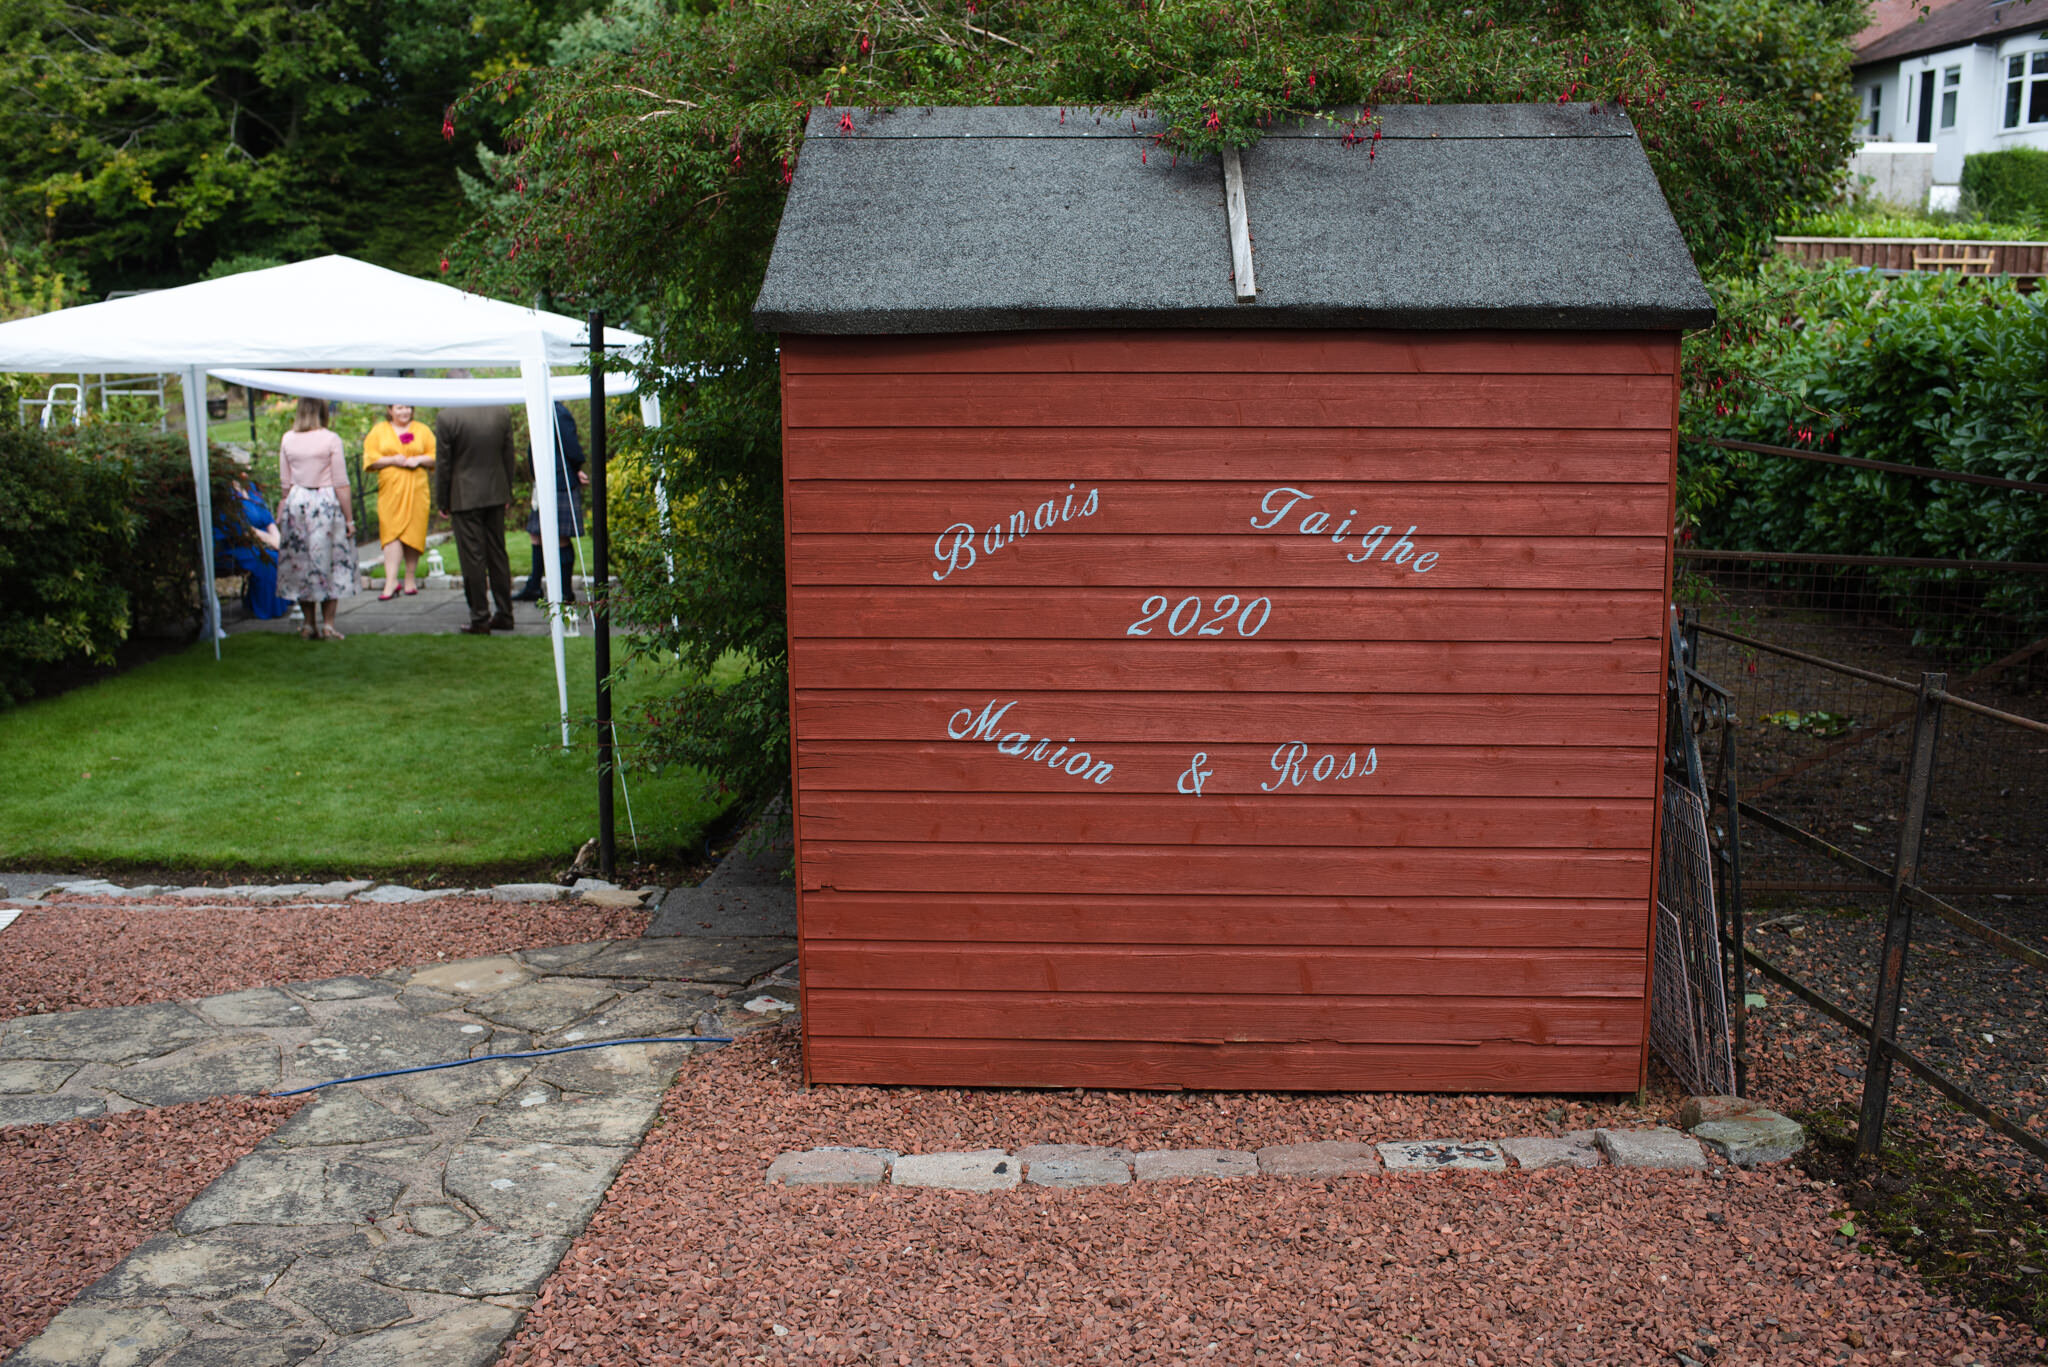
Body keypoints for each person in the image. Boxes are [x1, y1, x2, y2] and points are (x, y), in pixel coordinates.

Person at [275, 397, 358, 640]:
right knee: (330, 561)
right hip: (324, 504)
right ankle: (329, 623)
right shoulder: (330, 438)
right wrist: (349, 519)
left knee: (301, 563)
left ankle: (309, 624)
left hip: (297, 501)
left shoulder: (288, 438)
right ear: (322, 411)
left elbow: (284, 483)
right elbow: (341, 482)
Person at [434, 396, 518, 634]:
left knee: (473, 558)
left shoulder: (447, 417)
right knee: (498, 555)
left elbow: (443, 463)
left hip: (464, 496)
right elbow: (508, 455)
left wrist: (442, 500)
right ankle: (505, 613)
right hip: (496, 491)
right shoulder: (501, 412)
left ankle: (480, 617)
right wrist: (507, 491)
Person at [363, 402, 436, 599]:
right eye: (399, 408)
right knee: (391, 532)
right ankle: (391, 580)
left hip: (416, 488)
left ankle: (410, 578)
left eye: (407, 408)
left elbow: (435, 456)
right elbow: (370, 458)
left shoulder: (422, 430)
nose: (404, 412)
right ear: (389, 410)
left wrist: (419, 460)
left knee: (414, 530)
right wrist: (392, 460)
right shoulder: (379, 431)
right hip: (390, 489)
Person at [515, 401, 586, 603]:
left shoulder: (559, 411)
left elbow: (570, 446)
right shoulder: (541, 406)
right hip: (544, 479)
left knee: (560, 536)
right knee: (536, 534)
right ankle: (534, 587)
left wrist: (577, 466)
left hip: (560, 480)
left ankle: (565, 593)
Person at [213, 472, 292, 620]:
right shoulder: (223, 492)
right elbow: (241, 529)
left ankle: (281, 602)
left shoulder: (251, 488)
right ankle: (265, 609)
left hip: (261, 541)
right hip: (234, 544)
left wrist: (277, 540)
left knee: (282, 554)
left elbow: (268, 520)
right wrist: (271, 541)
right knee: (267, 559)